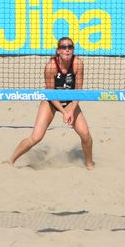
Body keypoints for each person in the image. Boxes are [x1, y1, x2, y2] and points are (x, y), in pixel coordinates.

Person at [7, 37, 94, 169]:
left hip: (71, 101)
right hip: (51, 101)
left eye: (70, 47)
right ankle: (10, 160)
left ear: (73, 50)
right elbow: (50, 93)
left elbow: (78, 91)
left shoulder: (78, 64)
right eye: (63, 47)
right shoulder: (51, 66)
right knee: (36, 137)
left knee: (85, 134)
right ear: (58, 50)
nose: (67, 50)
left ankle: (89, 163)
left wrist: (70, 110)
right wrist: (64, 112)